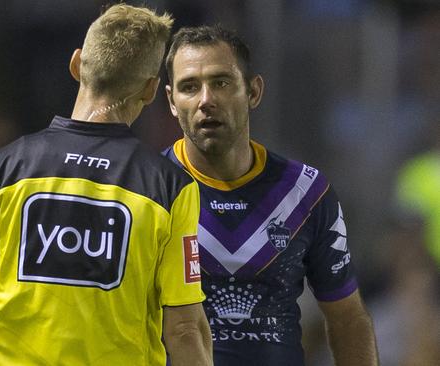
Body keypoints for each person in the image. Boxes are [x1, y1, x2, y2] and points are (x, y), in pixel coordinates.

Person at [0, 5, 212, 366]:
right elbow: (184, 331)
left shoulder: (3, 169)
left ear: (76, 65)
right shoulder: (171, 188)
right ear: (152, 90)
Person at [162, 24, 378, 365]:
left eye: (221, 82)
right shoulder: (147, 190)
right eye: (190, 87)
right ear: (172, 102)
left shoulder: (306, 193)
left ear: (253, 91)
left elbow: (347, 318)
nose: (206, 100)